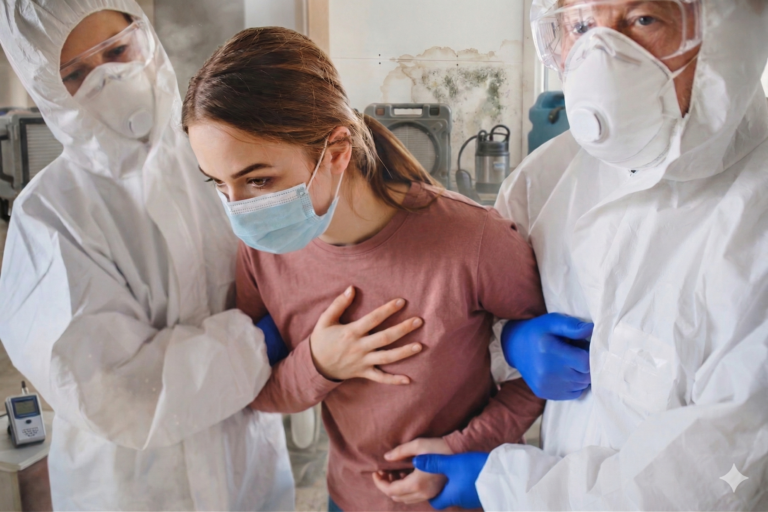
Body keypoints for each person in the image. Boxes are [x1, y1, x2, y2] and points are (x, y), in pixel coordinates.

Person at [412, 0, 768, 509]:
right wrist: (509, 340)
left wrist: (511, 488)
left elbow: (720, 462)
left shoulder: (755, 213)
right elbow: (473, 321)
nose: (600, 55)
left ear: (728, 32)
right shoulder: (545, 181)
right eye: (581, 26)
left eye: (642, 20)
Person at [182, 27, 550, 511]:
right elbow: (254, 393)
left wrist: (462, 451)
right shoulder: (262, 251)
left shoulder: (472, 241)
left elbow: (543, 378)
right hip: (348, 499)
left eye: (258, 180)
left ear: (336, 152)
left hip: (463, 496)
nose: (239, 210)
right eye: (220, 184)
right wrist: (320, 364)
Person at [0, 1, 303, 509]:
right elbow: (117, 395)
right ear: (48, 90)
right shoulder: (48, 216)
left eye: (118, 51)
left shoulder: (213, 156)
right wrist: (256, 344)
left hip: (246, 460)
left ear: (145, 36)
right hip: (133, 488)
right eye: (76, 73)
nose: (108, 80)